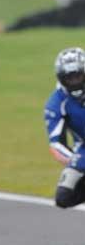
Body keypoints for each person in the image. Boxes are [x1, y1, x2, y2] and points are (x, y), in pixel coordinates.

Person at [44, 47, 85, 208]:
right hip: (83, 149)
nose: (75, 82)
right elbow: (56, 144)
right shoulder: (56, 104)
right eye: (69, 78)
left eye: (78, 76)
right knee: (63, 197)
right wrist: (74, 160)